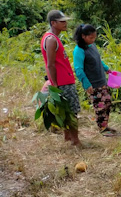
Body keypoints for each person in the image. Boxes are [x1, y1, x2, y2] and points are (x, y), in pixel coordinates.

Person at [41, 10, 80, 146]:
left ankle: (68, 137)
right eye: (62, 21)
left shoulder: (52, 38)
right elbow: (50, 64)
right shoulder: (51, 39)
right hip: (63, 81)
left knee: (66, 110)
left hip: (63, 79)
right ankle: (75, 140)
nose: (65, 23)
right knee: (72, 111)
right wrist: (55, 84)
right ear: (53, 23)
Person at [72, 24, 116, 136]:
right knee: (100, 106)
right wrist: (86, 84)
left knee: (107, 103)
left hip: (102, 80)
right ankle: (102, 128)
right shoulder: (79, 50)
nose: (93, 39)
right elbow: (78, 69)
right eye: (91, 37)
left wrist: (107, 69)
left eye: (94, 37)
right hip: (93, 84)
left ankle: (105, 125)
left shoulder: (92, 46)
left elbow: (98, 60)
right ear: (83, 36)